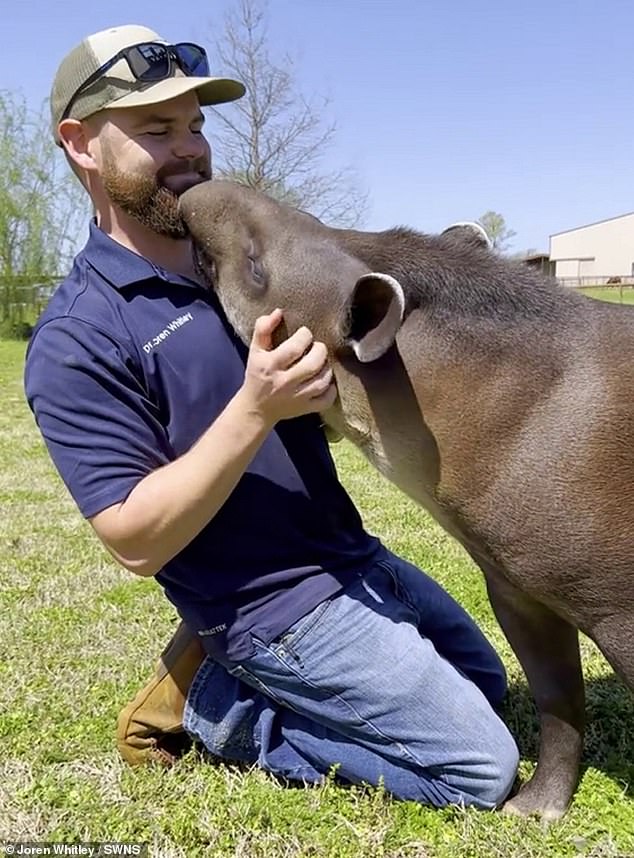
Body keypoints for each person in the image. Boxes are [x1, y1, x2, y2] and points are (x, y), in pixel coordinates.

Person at [25, 24, 519, 809]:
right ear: (81, 144)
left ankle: (215, 674)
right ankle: (220, 709)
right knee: (477, 769)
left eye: (195, 126)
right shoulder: (78, 335)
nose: (189, 149)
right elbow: (132, 540)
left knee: (489, 686)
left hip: (349, 555)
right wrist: (256, 407)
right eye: (156, 130)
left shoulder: (235, 268)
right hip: (268, 607)